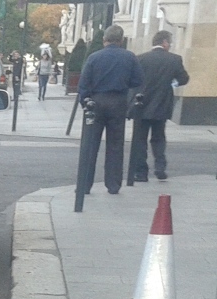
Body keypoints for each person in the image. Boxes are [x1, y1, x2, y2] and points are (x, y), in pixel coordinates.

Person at [76, 24, 144, 195]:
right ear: (121, 40)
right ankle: (113, 185)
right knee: (115, 145)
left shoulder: (94, 57)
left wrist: (85, 102)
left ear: (104, 39)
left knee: (90, 145)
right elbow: (138, 81)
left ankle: (84, 185)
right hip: (118, 101)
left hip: (96, 101)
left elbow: (83, 84)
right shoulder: (130, 57)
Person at [129, 30, 189, 182]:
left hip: (141, 104)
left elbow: (133, 80)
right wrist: (171, 84)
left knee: (140, 139)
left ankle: (141, 172)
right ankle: (160, 166)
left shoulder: (140, 59)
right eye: (170, 42)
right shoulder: (174, 59)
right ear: (165, 43)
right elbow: (183, 78)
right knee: (159, 137)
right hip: (162, 103)